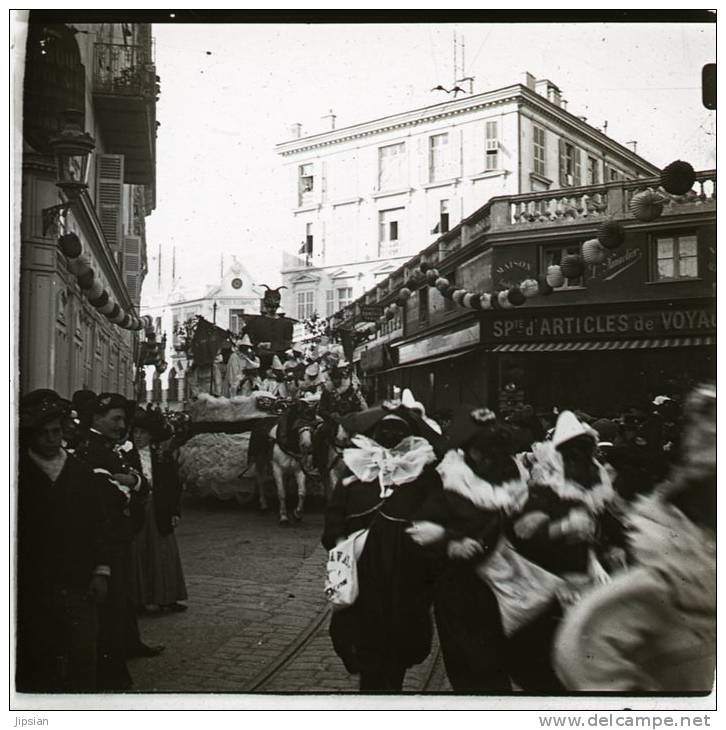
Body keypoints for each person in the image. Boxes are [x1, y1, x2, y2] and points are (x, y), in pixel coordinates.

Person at [554, 384, 716, 692]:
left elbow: (610, 515)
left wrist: (614, 540)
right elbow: (586, 648)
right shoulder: (551, 484)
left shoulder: (598, 475)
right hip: (578, 570)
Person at [322, 404, 444, 692]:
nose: (391, 435)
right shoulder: (355, 472)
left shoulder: (424, 475)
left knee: (400, 642)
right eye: (385, 429)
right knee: (364, 642)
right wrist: (340, 544)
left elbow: (437, 517)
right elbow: (334, 519)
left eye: (398, 430)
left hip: (407, 571)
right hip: (364, 571)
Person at [408, 407, 529, 692]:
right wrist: (450, 541)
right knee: (468, 664)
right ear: (468, 452)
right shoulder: (448, 485)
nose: (488, 458)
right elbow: (419, 530)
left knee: (499, 664)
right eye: (481, 451)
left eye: (495, 451)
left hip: (508, 587)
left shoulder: (516, 481)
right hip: (461, 590)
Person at [505, 410, 626, 691]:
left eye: (583, 452)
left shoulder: (596, 488)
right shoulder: (541, 492)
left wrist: (613, 545)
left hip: (592, 580)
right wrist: (562, 528)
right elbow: (522, 535)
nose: (578, 459)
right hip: (553, 587)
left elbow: (612, 526)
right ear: (558, 457)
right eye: (570, 453)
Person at [16, 390, 110, 692]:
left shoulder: (79, 473)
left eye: (56, 431)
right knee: (38, 655)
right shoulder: (18, 474)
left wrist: (101, 570)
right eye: (43, 433)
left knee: (83, 653)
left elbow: (99, 525)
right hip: (31, 585)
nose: (51, 439)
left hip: (78, 580)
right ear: (30, 436)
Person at [74, 393, 163, 691]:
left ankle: (129, 644)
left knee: (123, 596)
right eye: (116, 419)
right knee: (111, 605)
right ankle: (113, 674)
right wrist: (131, 487)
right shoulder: (91, 448)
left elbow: (140, 481)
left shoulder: (110, 447)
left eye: (123, 419)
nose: (121, 425)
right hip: (108, 538)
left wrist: (134, 483)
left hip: (123, 536)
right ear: (97, 419)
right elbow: (109, 495)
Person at [130, 409, 188, 614]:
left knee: (164, 552)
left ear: (150, 435)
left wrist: (175, 512)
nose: (138, 437)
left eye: (143, 433)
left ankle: (167, 597)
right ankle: (143, 600)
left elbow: (174, 486)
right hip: (138, 508)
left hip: (160, 508)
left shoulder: (161, 456)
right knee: (140, 552)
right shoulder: (125, 455)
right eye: (135, 432)